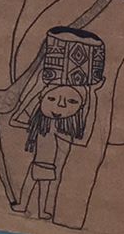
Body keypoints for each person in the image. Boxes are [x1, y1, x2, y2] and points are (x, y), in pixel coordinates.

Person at [12, 83, 89, 221]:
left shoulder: (56, 130)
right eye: (51, 99)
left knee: (37, 186)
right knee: (38, 186)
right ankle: (30, 208)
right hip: (41, 163)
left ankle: (31, 208)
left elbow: (81, 141)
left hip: (45, 164)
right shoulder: (41, 126)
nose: (60, 105)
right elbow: (14, 121)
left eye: (71, 101)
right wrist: (35, 97)